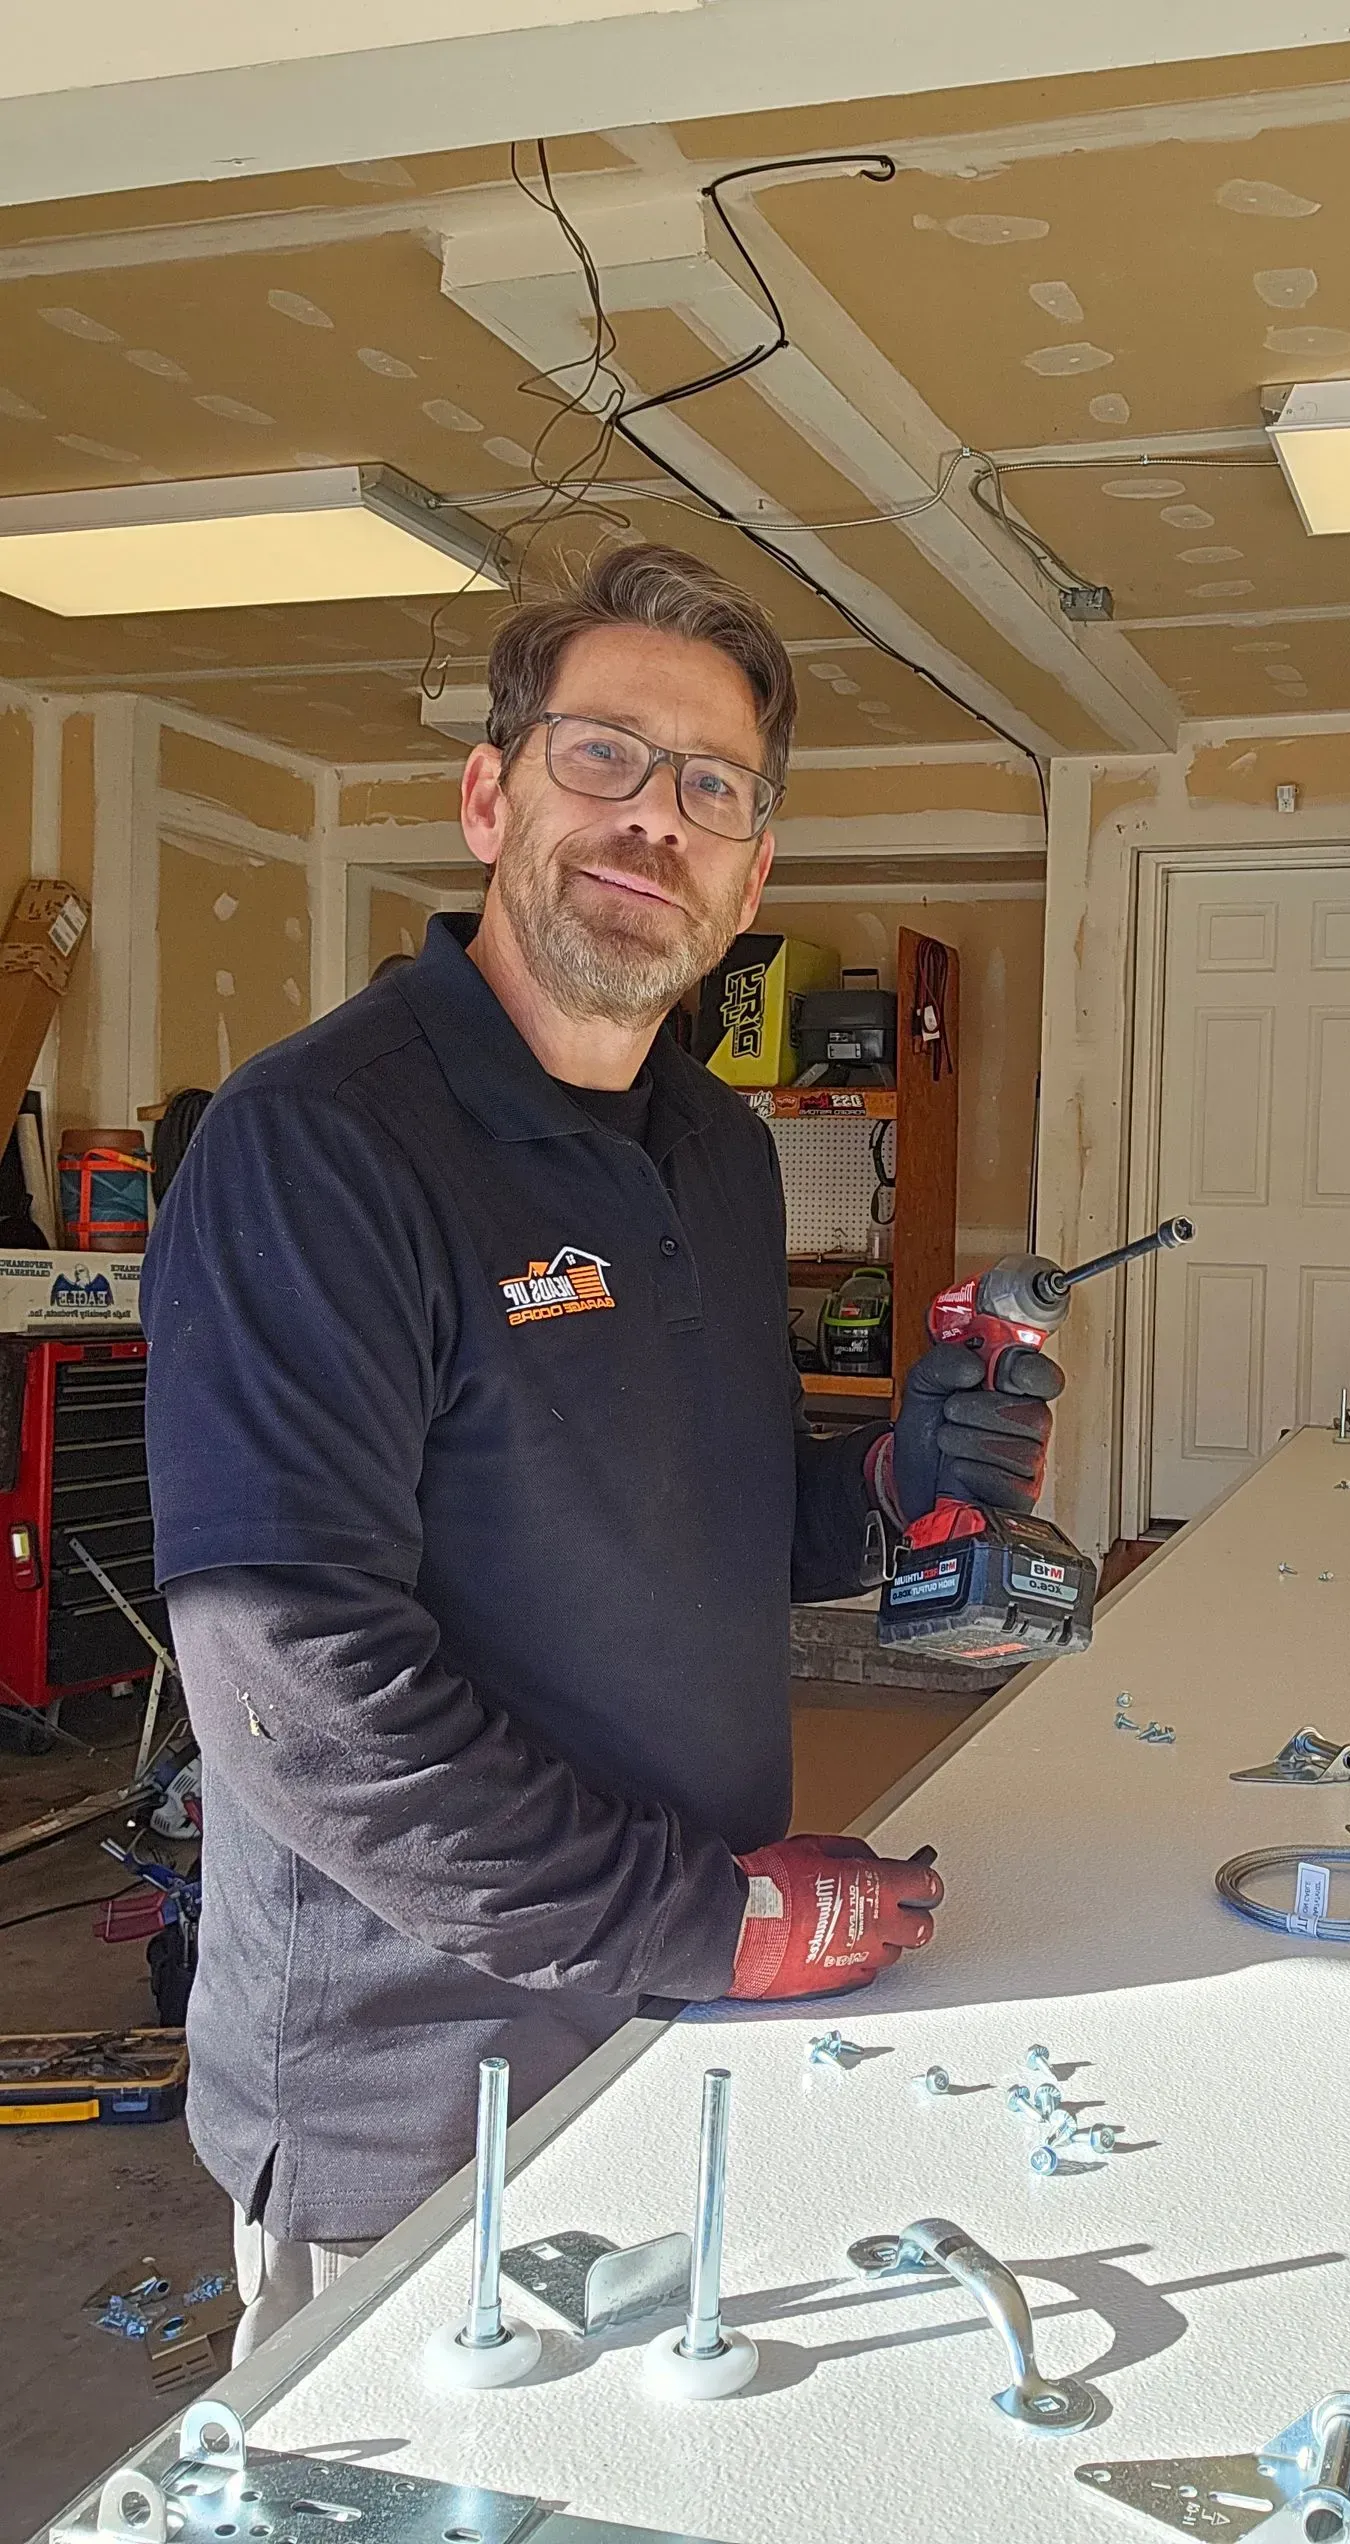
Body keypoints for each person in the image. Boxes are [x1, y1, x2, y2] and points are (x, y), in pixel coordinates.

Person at [142, 543, 1061, 2352]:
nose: (656, 820)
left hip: (671, 1995)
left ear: (755, 867)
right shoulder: (320, 1146)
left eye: (711, 787)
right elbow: (288, 1684)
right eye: (603, 758)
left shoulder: (708, 1153)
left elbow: (699, 1522)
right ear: (489, 798)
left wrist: (893, 1490)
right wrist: (708, 1923)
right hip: (423, 2093)